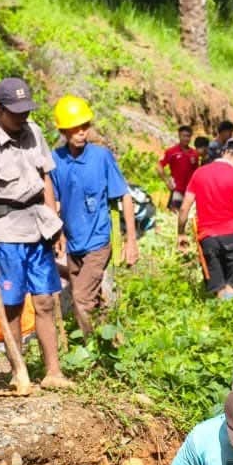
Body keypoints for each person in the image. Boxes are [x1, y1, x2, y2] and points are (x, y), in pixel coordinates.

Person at [0, 76, 72, 390]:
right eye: (15, 111)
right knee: (12, 304)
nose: (22, 116)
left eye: (26, 109)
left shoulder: (35, 132)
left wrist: (55, 227)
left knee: (45, 302)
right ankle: (18, 370)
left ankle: (53, 372)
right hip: (7, 233)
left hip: (38, 227)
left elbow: (46, 180)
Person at [49, 95, 138, 335]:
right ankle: (111, 340)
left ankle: (91, 350)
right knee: (93, 299)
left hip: (98, 240)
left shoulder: (101, 157)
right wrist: (56, 234)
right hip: (73, 243)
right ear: (64, 130)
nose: (81, 133)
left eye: (84, 127)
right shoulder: (56, 159)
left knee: (80, 299)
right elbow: (53, 200)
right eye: (74, 128)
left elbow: (125, 196)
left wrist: (131, 240)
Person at [177, 136, 233, 300]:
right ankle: (231, 318)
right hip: (232, 236)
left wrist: (181, 233)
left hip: (207, 238)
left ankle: (221, 314)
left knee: (218, 287)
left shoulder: (199, 173)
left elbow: (184, 208)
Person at [158, 125, 197, 210]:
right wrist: (167, 181)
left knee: (189, 216)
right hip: (177, 190)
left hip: (190, 191)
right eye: (184, 136)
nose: (186, 139)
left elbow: (196, 172)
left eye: (188, 136)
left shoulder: (194, 153)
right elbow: (159, 165)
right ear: (179, 136)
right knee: (175, 214)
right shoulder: (171, 152)